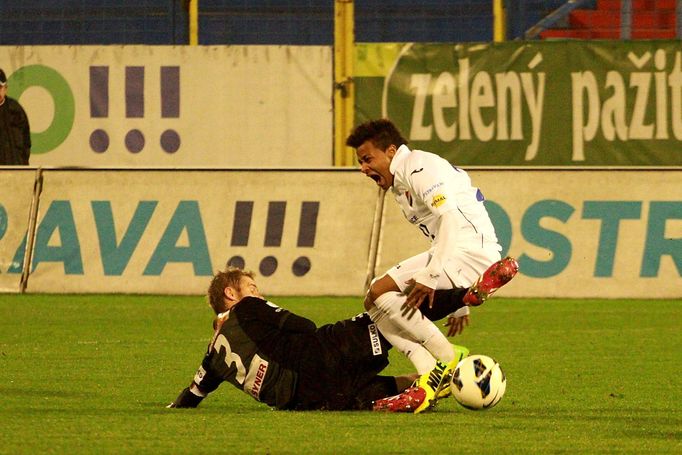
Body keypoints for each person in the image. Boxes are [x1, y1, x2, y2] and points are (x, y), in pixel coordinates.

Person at [346, 118, 518, 413]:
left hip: (467, 249)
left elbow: (450, 218)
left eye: (367, 159)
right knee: (374, 300)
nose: (363, 168)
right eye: (361, 162)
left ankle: (447, 357)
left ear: (390, 151)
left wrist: (431, 274)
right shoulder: (402, 184)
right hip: (460, 253)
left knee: (380, 291)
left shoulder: (418, 167)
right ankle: (429, 375)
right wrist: (459, 304)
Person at [169, 267, 461, 412]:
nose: (258, 294)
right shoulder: (247, 307)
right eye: (253, 288)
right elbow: (305, 326)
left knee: (384, 386)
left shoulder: (212, 356)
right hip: (321, 359)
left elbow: (190, 397)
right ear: (231, 295)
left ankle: (427, 385)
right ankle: (465, 295)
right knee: (382, 311)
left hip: (311, 401)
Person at [0, 69, 31, 165]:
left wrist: (22, 166)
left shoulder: (16, 110)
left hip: (14, 172)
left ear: (6, 88)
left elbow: (26, 143)